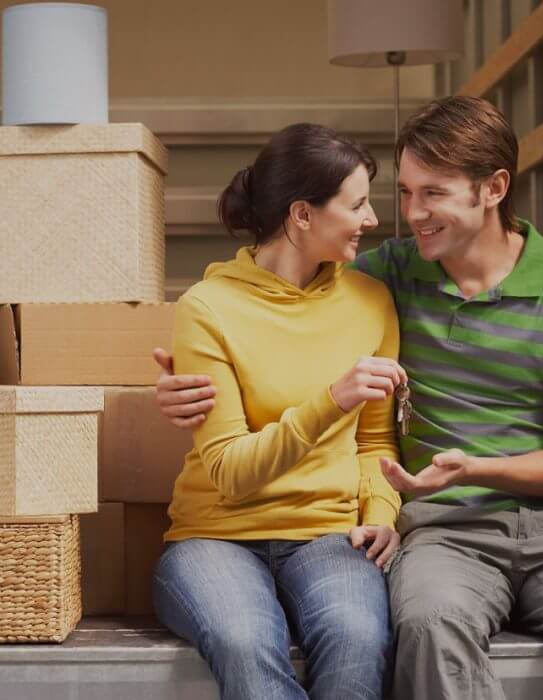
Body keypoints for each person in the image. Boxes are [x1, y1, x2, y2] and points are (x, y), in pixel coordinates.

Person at [154, 97, 543, 700]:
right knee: (424, 626)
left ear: (494, 188)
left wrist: (458, 475)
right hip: (442, 530)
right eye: (402, 193)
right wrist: (175, 382)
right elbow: (272, 292)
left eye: (430, 194)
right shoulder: (382, 278)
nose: (406, 215)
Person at [152, 122, 406, 700]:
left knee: (358, 637)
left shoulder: (371, 303)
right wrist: (330, 400)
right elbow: (231, 474)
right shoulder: (208, 308)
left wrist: (382, 511)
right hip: (213, 538)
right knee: (245, 642)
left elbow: (373, 443)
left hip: (329, 535)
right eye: (358, 203)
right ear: (302, 215)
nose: (371, 220)